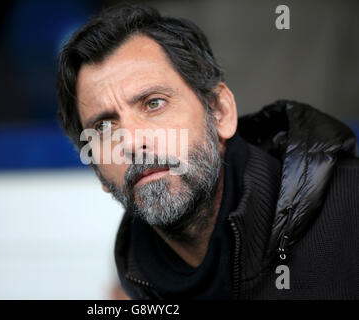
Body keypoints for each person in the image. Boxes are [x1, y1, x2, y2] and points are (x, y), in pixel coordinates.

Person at [56, 4, 359, 299]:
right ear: (98, 170)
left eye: (154, 103)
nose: (133, 144)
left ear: (220, 112)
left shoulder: (349, 212)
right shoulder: (135, 280)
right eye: (105, 128)